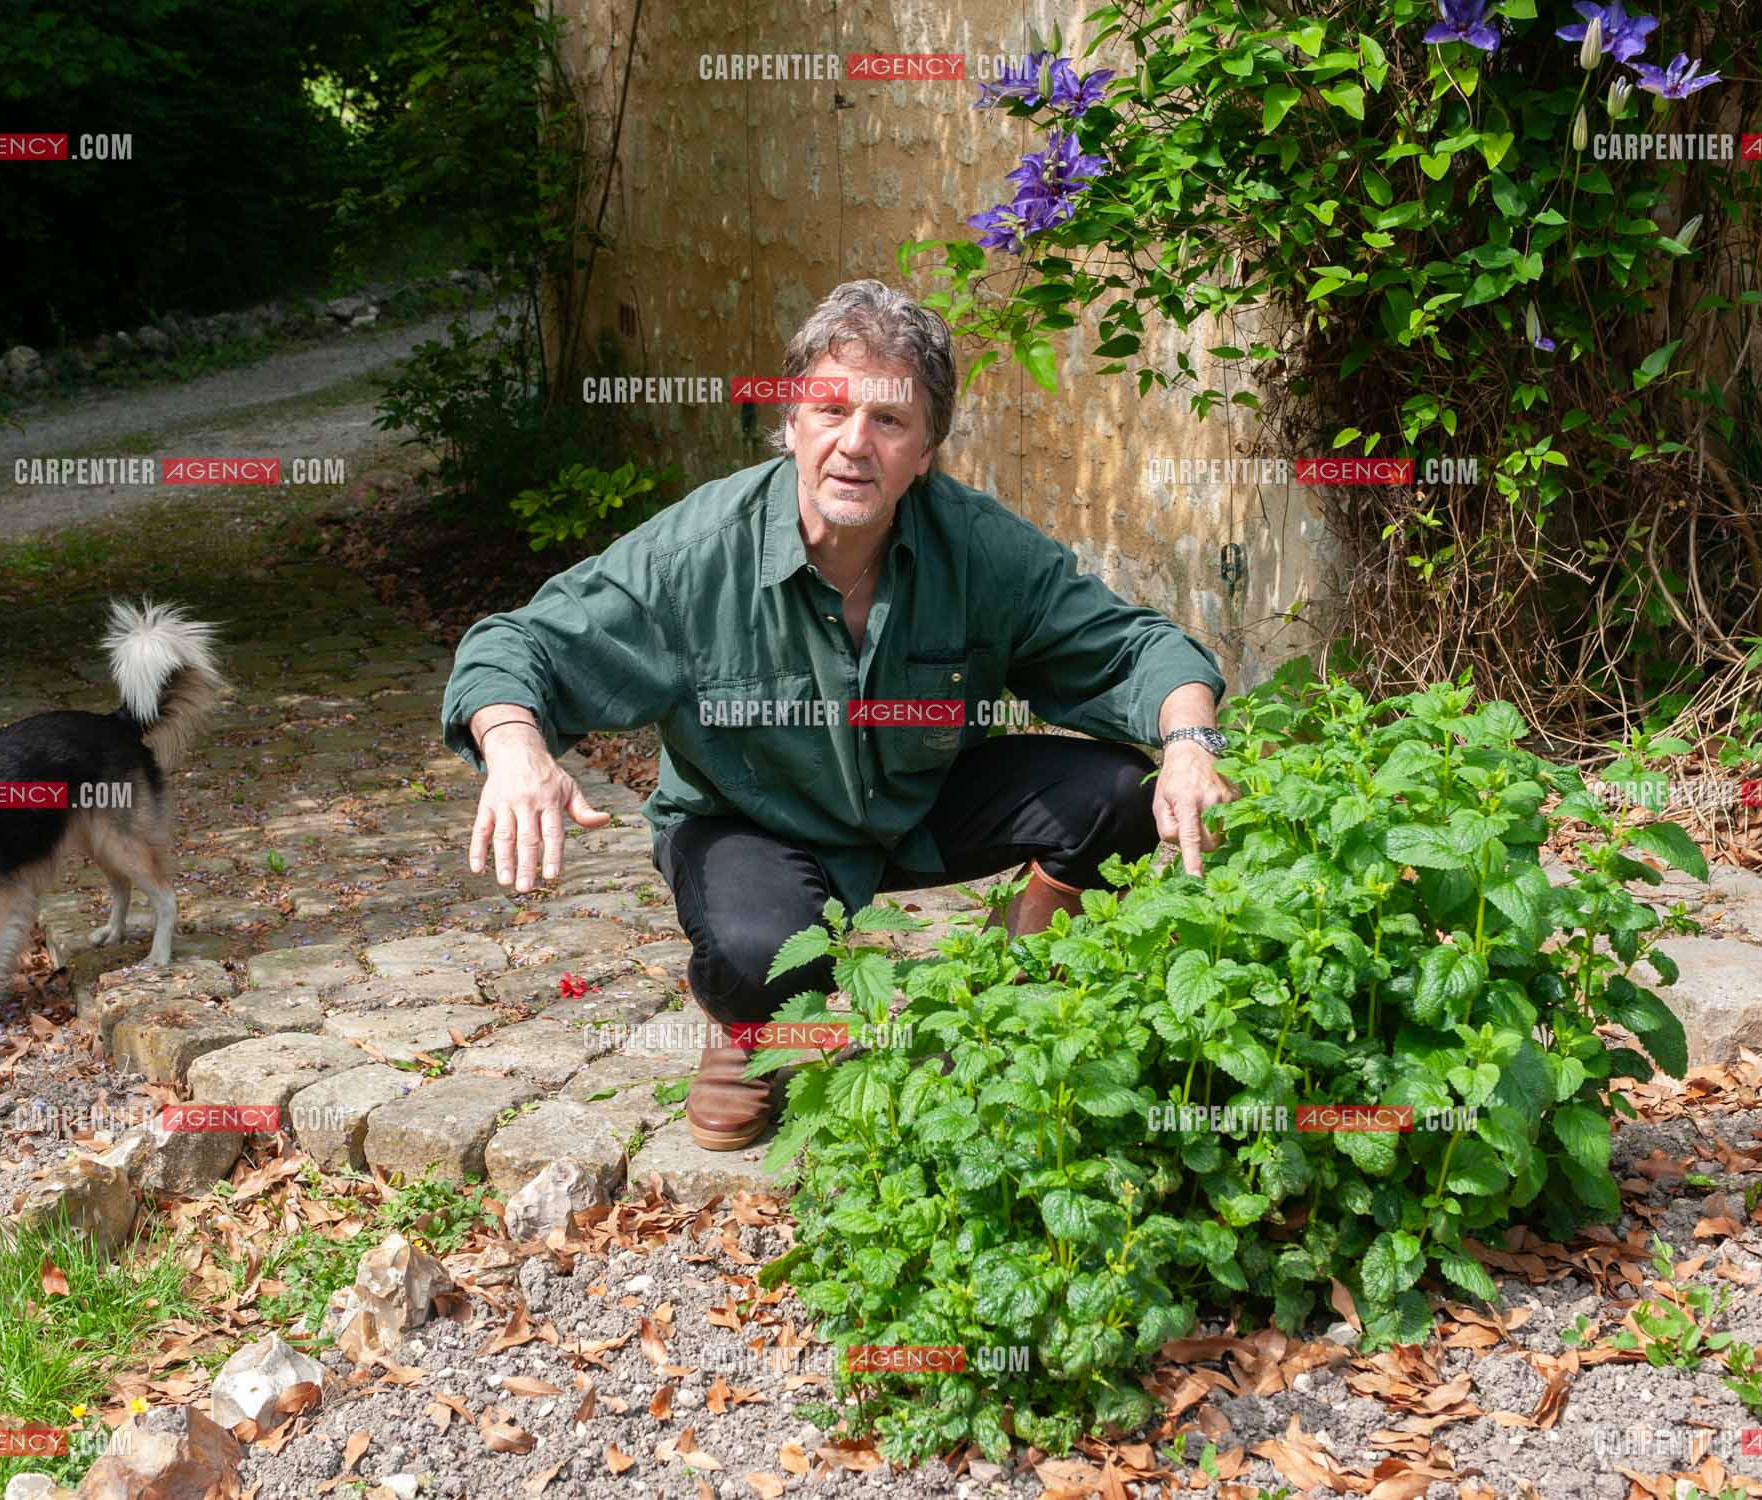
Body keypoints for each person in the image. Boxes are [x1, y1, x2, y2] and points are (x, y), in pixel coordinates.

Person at [442, 278, 1239, 1151]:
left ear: (926, 449)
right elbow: (520, 645)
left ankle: (1009, 997)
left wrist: (1192, 741)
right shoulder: (696, 554)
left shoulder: (976, 546)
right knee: (763, 954)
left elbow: (1137, 648)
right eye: (830, 410)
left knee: (1125, 792)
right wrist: (516, 747)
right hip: (752, 823)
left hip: (918, 801)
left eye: (890, 421)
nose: (854, 445)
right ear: (790, 422)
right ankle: (752, 1032)